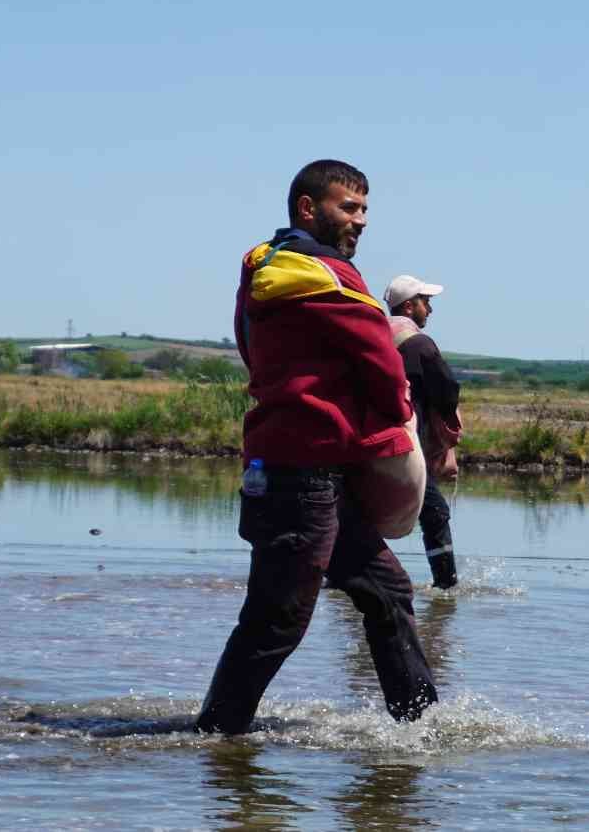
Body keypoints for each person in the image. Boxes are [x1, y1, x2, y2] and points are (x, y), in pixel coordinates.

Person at [195, 159, 437, 735]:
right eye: (349, 208)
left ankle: (421, 729)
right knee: (276, 620)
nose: (361, 221)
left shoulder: (264, 272)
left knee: (386, 590)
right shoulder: (330, 277)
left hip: (290, 466)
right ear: (309, 209)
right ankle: (216, 739)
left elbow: (252, 351)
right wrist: (395, 424)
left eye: (364, 210)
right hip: (302, 476)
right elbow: (383, 366)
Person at [383, 274, 463, 590]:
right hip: (402, 443)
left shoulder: (376, 336)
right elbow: (447, 391)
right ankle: (447, 587)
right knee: (435, 512)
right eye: (426, 302)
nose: (429, 309)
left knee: (363, 514)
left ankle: (341, 581)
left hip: (366, 441)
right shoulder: (419, 343)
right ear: (409, 305)